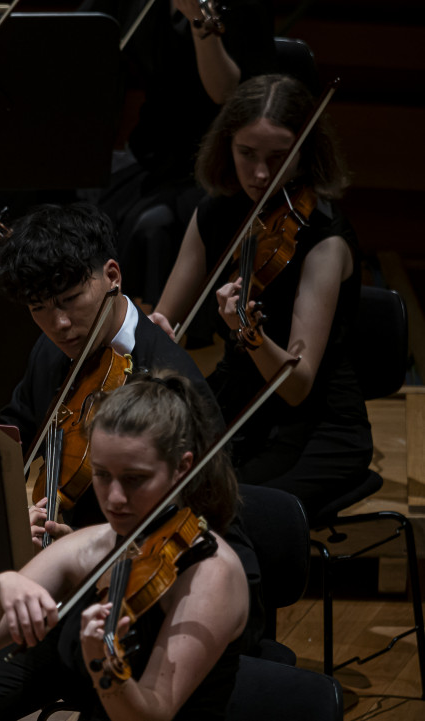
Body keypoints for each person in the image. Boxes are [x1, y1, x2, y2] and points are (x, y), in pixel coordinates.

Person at [0, 372, 250, 721]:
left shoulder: (211, 572)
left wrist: (103, 665)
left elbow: (152, 715)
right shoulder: (95, 543)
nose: (113, 499)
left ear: (182, 467)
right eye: (101, 474)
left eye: (134, 479)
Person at [150, 74, 372, 522]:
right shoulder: (214, 214)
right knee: (147, 479)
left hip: (315, 424)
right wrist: (154, 332)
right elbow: (164, 317)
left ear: (305, 152)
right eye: (246, 154)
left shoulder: (324, 239)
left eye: (279, 157)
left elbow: (296, 385)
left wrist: (248, 335)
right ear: (225, 145)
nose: (260, 174)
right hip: (232, 404)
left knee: (227, 510)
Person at [0, 202, 222, 536]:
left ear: (112, 276)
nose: (59, 323)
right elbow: (13, 432)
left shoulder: (171, 375)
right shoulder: (50, 350)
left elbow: (205, 510)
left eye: (70, 299)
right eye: (39, 307)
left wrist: (88, 546)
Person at [88, 0, 274, 309]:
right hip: (154, 153)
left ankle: (156, 336)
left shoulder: (242, 6)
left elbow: (227, 96)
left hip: (216, 163)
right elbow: (85, 29)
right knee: (92, 214)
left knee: (149, 228)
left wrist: (199, 21)